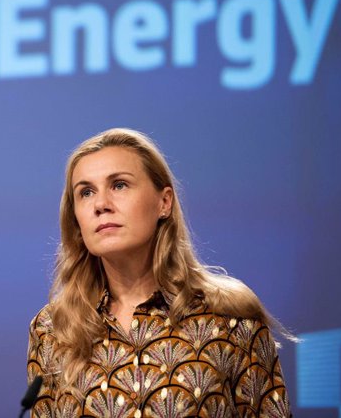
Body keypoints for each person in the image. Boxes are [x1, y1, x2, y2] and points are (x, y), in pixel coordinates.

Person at [27, 128, 292, 417]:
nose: (101, 205)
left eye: (119, 185)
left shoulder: (229, 314)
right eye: (86, 192)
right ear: (76, 219)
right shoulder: (54, 328)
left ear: (164, 202)